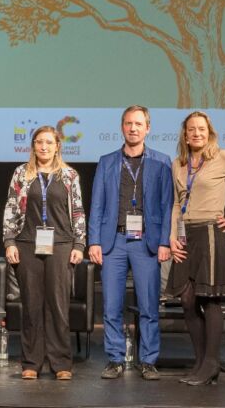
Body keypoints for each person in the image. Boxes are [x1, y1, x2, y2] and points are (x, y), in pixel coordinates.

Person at [168, 110, 225, 386]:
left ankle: (211, 364)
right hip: (187, 236)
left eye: (202, 129)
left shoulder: (223, 157)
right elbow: (175, 203)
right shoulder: (178, 164)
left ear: (210, 133)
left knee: (210, 299)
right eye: (192, 129)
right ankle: (200, 363)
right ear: (185, 134)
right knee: (186, 300)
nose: (197, 133)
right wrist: (172, 238)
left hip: (210, 231)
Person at [88, 105, 172, 380]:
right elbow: (97, 204)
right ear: (122, 127)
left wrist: (164, 242)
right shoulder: (107, 161)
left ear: (148, 128)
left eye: (138, 124)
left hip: (147, 240)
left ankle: (147, 360)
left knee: (148, 305)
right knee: (112, 305)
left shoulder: (162, 161)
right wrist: (94, 241)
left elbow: (166, 204)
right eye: (128, 123)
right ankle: (115, 359)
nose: (133, 128)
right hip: (114, 241)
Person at [2, 125, 86, 381]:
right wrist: (9, 241)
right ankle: (31, 362)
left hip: (61, 246)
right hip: (27, 244)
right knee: (32, 305)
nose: (44, 147)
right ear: (33, 146)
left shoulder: (69, 175)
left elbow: (78, 211)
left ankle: (61, 362)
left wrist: (79, 244)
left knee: (58, 306)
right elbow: (11, 208)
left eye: (49, 142)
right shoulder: (21, 174)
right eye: (39, 142)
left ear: (57, 145)